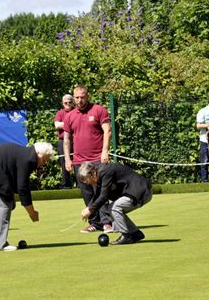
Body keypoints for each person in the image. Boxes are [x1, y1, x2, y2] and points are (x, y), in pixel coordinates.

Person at [0, 142, 54, 251]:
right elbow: (23, 188)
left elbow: (13, 176)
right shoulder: (28, 159)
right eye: (45, 159)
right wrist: (31, 212)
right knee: (3, 205)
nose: (44, 163)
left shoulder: (26, 154)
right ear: (40, 154)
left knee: (6, 203)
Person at [63, 84, 113, 233]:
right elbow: (66, 139)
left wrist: (105, 152)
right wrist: (67, 159)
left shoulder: (99, 110)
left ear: (87, 96)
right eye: (77, 98)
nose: (79, 100)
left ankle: (107, 223)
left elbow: (108, 131)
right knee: (87, 194)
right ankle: (95, 223)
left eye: (82, 97)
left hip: (97, 160)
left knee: (101, 192)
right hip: (79, 161)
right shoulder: (69, 116)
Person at [79, 162, 152, 245]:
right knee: (112, 208)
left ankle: (126, 235)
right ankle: (135, 233)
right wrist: (89, 207)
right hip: (134, 192)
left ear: (91, 173)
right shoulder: (99, 172)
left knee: (115, 208)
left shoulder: (104, 172)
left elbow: (104, 196)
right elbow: (98, 194)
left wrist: (90, 210)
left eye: (87, 180)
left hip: (141, 192)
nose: (88, 183)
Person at [54, 94, 75, 189]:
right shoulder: (60, 113)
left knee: (78, 162)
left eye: (70, 102)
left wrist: (64, 124)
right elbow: (57, 125)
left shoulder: (76, 112)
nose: (68, 104)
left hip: (76, 140)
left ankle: (81, 184)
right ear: (62, 103)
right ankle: (66, 185)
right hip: (62, 141)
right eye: (65, 102)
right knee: (64, 162)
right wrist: (71, 122)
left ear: (72, 102)